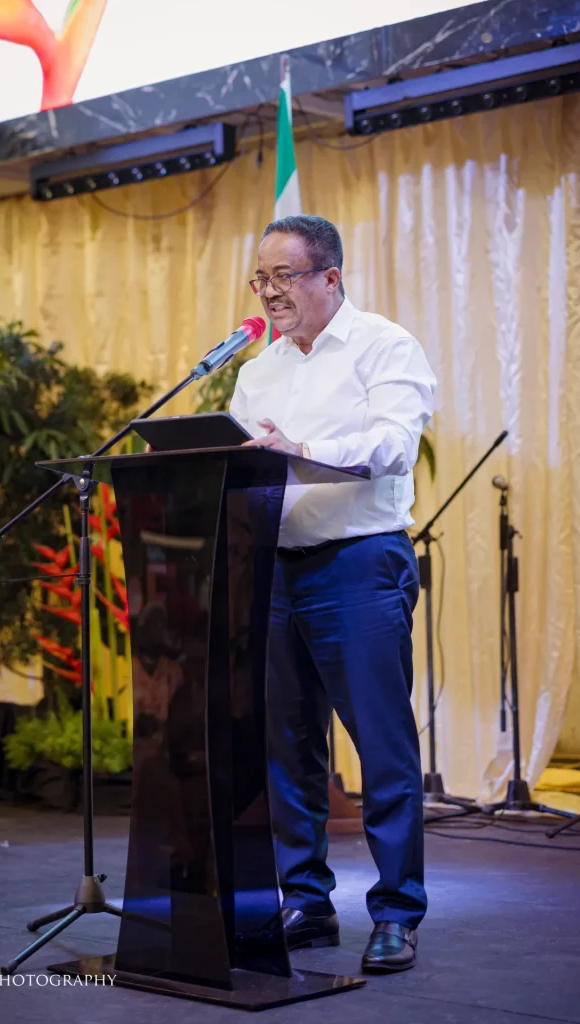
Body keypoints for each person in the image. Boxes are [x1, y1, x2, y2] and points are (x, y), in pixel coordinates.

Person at [229, 214, 436, 973]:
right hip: (275, 570)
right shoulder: (258, 371)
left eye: (283, 276)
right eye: (260, 278)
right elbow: (243, 464)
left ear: (330, 276)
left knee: (381, 745)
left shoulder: (385, 345)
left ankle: (397, 913)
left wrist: (303, 451)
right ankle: (306, 902)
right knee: (287, 748)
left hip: (358, 563)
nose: (269, 292)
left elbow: (394, 444)